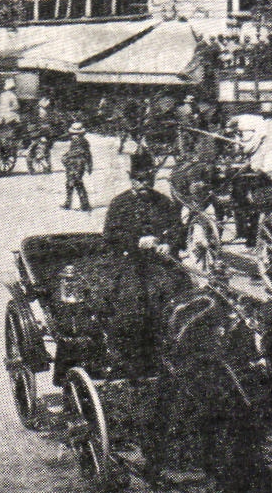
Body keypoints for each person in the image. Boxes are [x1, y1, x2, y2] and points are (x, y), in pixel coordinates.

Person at [96, 152, 194, 373]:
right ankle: (133, 355)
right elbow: (110, 236)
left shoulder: (164, 202)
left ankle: (176, 348)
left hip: (161, 261)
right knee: (133, 300)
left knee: (182, 295)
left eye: (148, 180)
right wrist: (136, 242)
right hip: (128, 261)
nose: (143, 184)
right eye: (139, 179)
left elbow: (178, 229)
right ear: (131, 179)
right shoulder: (119, 203)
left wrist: (169, 243)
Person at [61, 121, 94, 211]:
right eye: (73, 134)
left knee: (76, 183)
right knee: (70, 183)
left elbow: (85, 154)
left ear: (81, 134)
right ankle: (70, 203)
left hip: (78, 164)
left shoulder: (82, 142)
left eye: (76, 134)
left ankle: (84, 204)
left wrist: (65, 157)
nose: (74, 136)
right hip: (72, 164)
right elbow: (88, 155)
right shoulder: (78, 141)